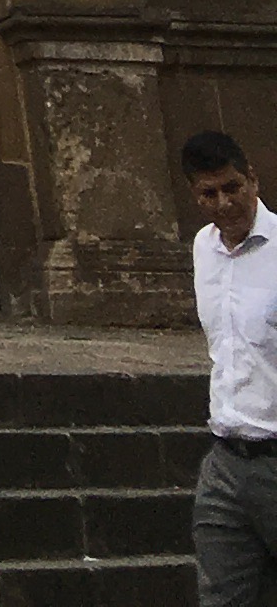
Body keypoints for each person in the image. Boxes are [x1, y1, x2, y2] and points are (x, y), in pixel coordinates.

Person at [188, 130, 277, 601]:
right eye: (209, 193)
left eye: (232, 187)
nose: (224, 203)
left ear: (253, 180)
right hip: (225, 461)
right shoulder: (203, 250)